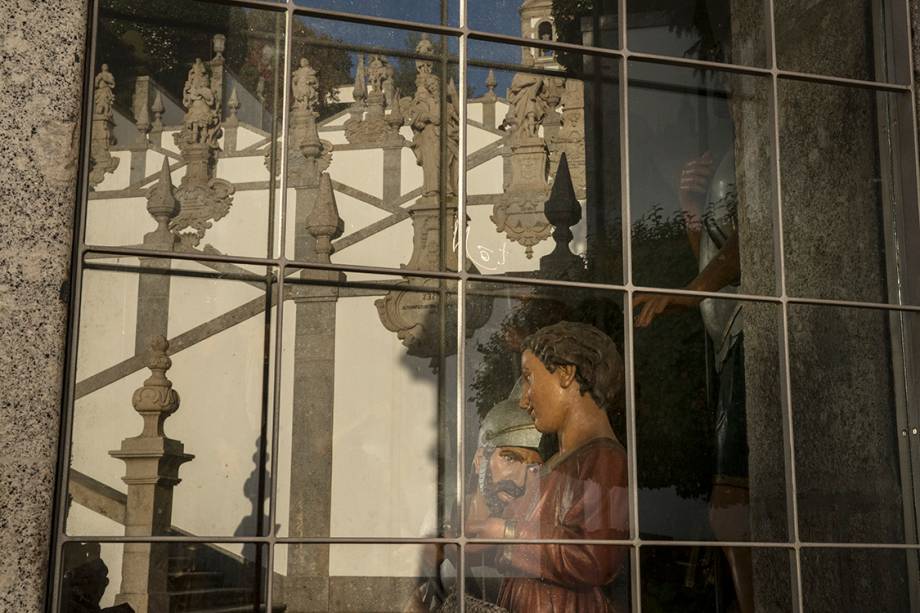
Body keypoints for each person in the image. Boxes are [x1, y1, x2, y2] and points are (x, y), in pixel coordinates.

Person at [633, 150, 752, 613]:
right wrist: (689, 203)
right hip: (727, 336)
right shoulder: (726, 160)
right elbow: (711, 254)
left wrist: (684, 295)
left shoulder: (749, 156)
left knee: (730, 501)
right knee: (730, 502)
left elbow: (747, 247)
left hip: (746, 330)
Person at [467, 321, 629, 612]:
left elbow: (595, 559)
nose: (524, 399)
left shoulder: (604, 459)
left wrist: (508, 533)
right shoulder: (557, 464)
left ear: (566, 374)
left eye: (530, 378)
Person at [406, 384, 544, 613]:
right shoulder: (443, 513)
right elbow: (413, 592)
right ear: (481, 459)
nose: (519, 481)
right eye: (510, 459)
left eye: (533, 468)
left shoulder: (532, 527)